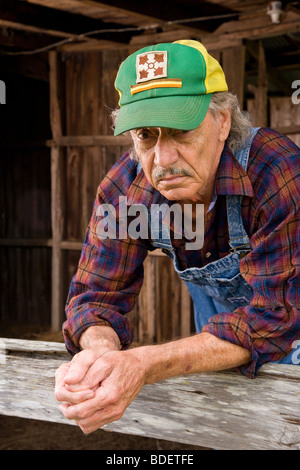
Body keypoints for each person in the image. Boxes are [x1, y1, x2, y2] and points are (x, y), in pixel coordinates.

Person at [55, 39, 300, 434]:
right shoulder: (126, 191)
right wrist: (101, 355)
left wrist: (144, 364)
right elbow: (94, 297)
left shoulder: (276, 172)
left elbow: (275, 319)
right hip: (224, 328)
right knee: (229, 422)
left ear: (222, 122)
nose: (163, 159)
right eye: (147, 135)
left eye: (181, 130)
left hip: (292, 318)